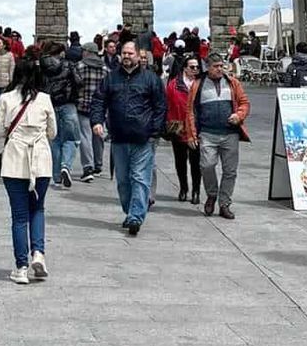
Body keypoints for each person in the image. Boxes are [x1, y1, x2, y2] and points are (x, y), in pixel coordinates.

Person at [90, 40, 166, 235]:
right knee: (123, 181)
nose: (127, 56)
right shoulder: (110, 78)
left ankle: (135, 217)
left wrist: (155, 131)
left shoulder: (151, 79)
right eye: (124, 53)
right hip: (119, 137)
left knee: (140, 178)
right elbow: (98, 100)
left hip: (143, 137)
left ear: (138, 55)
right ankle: (129, 211)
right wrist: (97, 121)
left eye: (130, 53)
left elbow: (160, 107)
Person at [0, 56, 57, 284]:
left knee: (19, 216)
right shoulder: (45, 99)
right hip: (41, 161)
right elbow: (53, 133)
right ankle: (38, 253)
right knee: (37, 209)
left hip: (14, 162)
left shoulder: (6, 99)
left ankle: (21, 267)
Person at [190, 52, 250, 220]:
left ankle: (224, 204)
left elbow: (244, 102)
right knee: (207, 165)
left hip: (229, 133)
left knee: (230, 171)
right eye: (215, 66)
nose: (219, 69)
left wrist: (239, 115)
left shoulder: (232, 83)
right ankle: (212, 194)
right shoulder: (198, 85)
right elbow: (190, 111)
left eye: (221, 66)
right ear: (207, 68)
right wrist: (192, 134)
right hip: (207, 133)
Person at [41, 40, 81, 189]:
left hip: (49, 104)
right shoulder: (68, 64)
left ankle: (56, 176)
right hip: (68, 103)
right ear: (61, 52)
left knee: (55, 139)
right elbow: (78, 81)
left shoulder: (41, 65)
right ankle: (66, 166)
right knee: (71, 139)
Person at [166, 55, 202, 203]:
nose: (195, 70)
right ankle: (183, 188)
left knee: (196, 162)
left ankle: (196, 191)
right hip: (178, 127)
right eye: (192, 67)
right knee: (180, 161)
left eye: (197, 67)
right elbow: (167, 106)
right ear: (185, 68)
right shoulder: (173, 85)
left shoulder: (201, 84)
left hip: (196, 128)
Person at [75, 41, 107, 180]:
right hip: (99, 108)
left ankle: (87, 167)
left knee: (85, 136)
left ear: (87, 52)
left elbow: (75, 85)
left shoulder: (80, 66)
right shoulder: (106, 69)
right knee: (98, 136)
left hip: (83, 105)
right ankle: (98, 165)